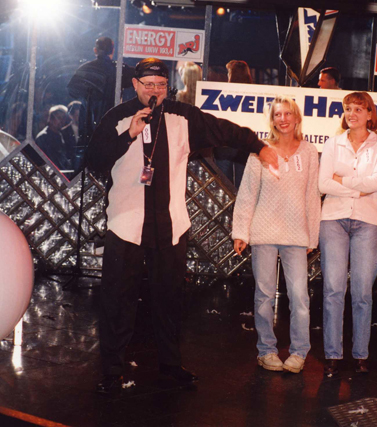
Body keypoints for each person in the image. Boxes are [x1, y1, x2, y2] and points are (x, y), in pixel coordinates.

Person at [86, 57, 278, 393]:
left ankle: (171, 364)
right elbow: (94, 160)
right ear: (135, 85)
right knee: (118, 301)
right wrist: (129, 134)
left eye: (161, 85)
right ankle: (112, 370)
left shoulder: (183, 116)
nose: (155, 91)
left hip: (171, 225)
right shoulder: (117, 118)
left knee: (170, 299)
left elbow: (223, 129)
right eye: (148, 85)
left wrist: (258, 146)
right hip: (125, 224)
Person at [232, 96, 321, 374]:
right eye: (278, 114)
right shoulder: (260, 150)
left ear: (297, 118)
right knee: (264, 296)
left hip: (296, 234)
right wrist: (241, 231)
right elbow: (247, 194)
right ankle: (266, 351)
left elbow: (312, 196)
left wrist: (312, 236)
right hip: (264, 232)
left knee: (299, 297)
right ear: (272, 120)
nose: (283, 119)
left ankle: (299, 352)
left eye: (287, 114)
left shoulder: (309, 151)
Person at [319, 92, 377, 375]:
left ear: (371, 114)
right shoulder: (332, 143)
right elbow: (323, 184)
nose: (352, 114)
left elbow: (376, 182)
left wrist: (342, 180)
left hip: (368, 222)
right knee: (333, 290)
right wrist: (357, 188)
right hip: (333, 219)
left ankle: (361, 354)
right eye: (348, 109)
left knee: (362, 292)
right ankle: (332, 355)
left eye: (359, 109)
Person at [67, 37, 135, 150]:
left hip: (88, 121)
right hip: (112, 119)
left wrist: (89, 95)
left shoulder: (85, 68)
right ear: (113, 50)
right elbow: (137, 78)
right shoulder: (119, 69)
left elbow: (72, 90)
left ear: (95, 50)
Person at [213, 60, 253, 188]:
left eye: (228, 73)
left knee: (224, 185)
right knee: (243, 185)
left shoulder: (222, 95)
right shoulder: (255, 95)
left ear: (232, 75)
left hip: (225, 146)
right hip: (244, 146)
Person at [35, 105, 70, 171]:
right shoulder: (43, 137)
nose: (62, 121)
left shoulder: (60, 135)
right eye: (59, 118)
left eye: (63, 118)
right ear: (51, 118)